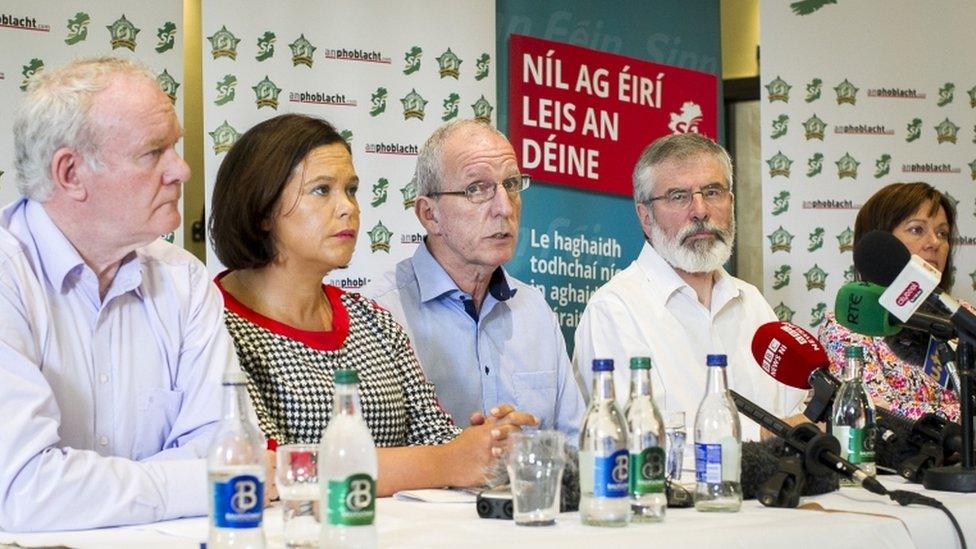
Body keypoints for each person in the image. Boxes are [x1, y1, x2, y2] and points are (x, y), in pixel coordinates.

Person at [209, 114, 535, 496]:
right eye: (321, 190)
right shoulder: (216, 326)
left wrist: (488, 442)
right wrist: (450, 460)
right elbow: (265, 468)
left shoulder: (373, 320)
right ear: (262, 207)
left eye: (351, 189)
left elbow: (438, 437)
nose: (348, 207)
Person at [0, 57, 238, 531]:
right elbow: (23, 490)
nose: (183, 170)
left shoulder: (185, 281)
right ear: (70, 174)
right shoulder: (7, 274)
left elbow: (227, 452)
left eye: (176, 147)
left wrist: (95, 490)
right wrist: (190, 483)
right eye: (154, 153)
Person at [573, 133, 805, 440]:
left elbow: (796, 412)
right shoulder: (614, 310)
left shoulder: (752, 303)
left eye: (712, 192)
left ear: (731, 203)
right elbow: (633, 446)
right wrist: (769, 434)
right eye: (678, 196)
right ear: (645, 217)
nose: (699, 210)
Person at [364, 119, 584, 444]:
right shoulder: (380, 313)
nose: (505, 207)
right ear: (429, 215)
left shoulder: (534, 310)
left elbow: (575, 443)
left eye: (511, 184)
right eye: (477, 189)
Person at [818, 182, 960, 421]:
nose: (934, 242)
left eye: (942, 233)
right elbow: (873, 413)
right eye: (917, 230)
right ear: (881, 244)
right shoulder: (849, 323)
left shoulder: (963, 316)